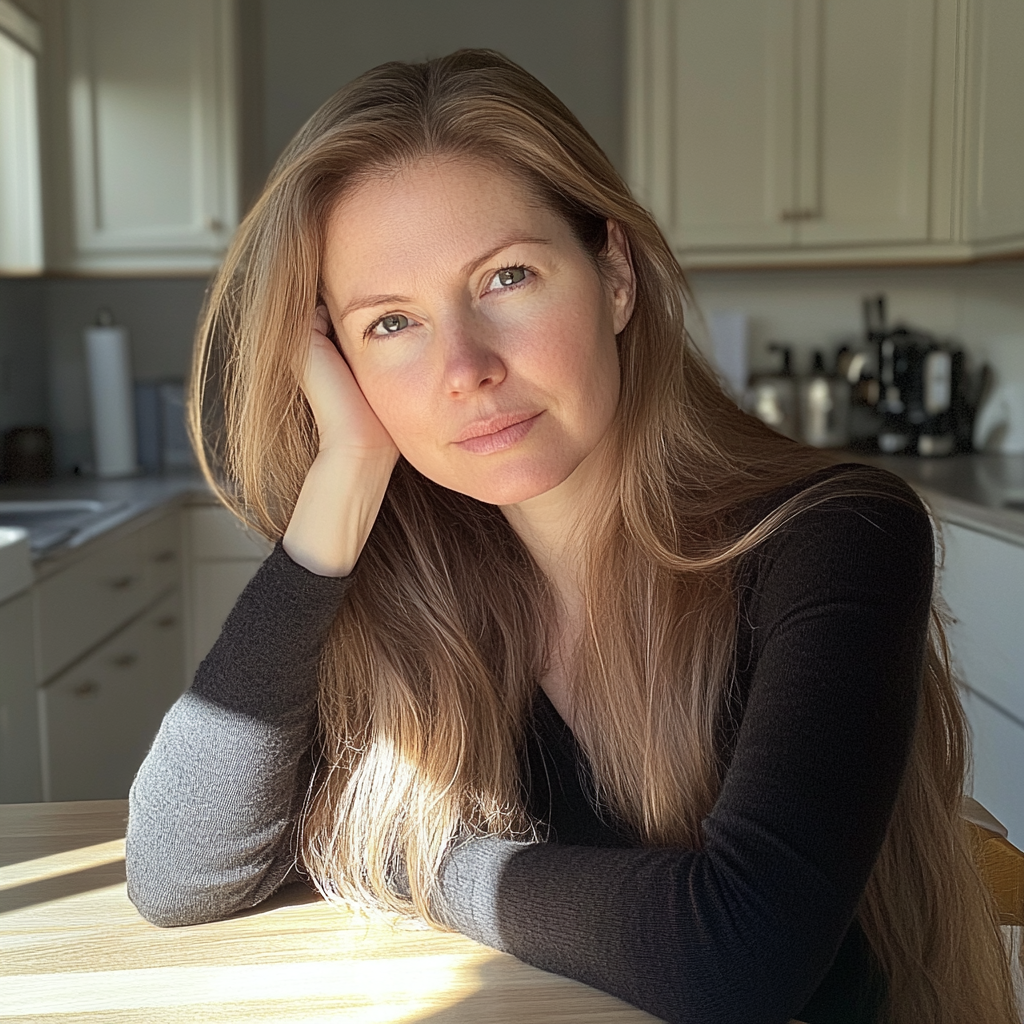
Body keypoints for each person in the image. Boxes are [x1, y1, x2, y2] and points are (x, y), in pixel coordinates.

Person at [126, 50, 1020, 1024]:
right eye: (391, 324)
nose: (464, 366)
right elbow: (178, 873)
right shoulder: (407, 579)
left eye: (506, 276)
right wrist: (343, 477)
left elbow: (736, 959)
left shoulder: (834, 533)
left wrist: (396, 853)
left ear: (615, 275)